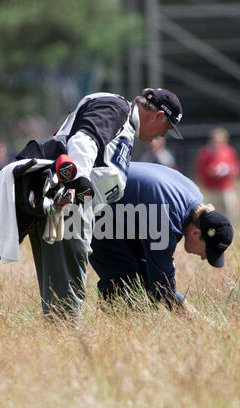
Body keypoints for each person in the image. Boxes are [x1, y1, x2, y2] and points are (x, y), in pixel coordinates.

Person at [15, 88, 184, 322]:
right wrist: (78, 181)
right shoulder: (117, 108)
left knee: (59, 298)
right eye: (166, 129)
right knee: (66, 301)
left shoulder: (125, 123)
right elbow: (85, 139)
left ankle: (56, 350)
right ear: (158, 116)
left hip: (67, 204)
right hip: (69, 205)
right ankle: (66, 351)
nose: (162, 137)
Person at [90, 162, 234, 317]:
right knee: (128, 283)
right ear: (195, 233)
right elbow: (162, 288)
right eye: (208, 251)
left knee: (140, 277)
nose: (204, 257)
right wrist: (198, 321)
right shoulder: (168, 220)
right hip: (90, 205)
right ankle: (117, 330)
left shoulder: (194, 195)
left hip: (112, 203)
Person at [195, 128, 240, 219]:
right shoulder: (205, 153)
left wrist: (230, 171)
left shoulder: (229, 151)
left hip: (226, 187)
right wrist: (211, 172)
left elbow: (236, 168)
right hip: (212, 189)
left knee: (230, 211)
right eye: (216, 141)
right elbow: (200, 171)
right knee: (212, 213)